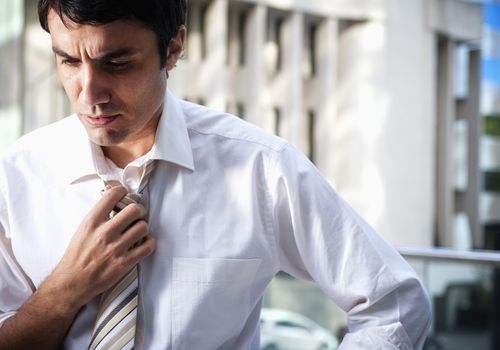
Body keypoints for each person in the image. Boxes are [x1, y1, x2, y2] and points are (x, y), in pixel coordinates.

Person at [0, 0, 431, 349]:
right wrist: (64, 292)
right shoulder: (15, 177)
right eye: (69, 62)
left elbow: (393, 302)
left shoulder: (261, 168)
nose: (89, 93)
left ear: (172, 49)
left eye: (117, 63)